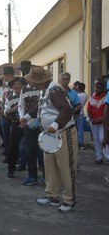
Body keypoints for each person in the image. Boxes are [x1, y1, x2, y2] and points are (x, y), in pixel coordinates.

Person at [25, 66, 77, 212]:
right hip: (50, 134)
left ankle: (69, 199)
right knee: (50, 166)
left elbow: (66, 109)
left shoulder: (54, 90)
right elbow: (39, 107)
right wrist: (27, 117)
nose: (30, 84)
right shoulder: (44, 90)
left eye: (31, 81)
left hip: (62, 132)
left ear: (37, 81)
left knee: (66, 167)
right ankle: (52, 196)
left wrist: (55, 124)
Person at [19, 65, 43, 186]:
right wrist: (22, 117)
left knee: (43, 151)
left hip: (44, 124)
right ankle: (32, 176)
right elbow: (21, 106)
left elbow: (41, 106)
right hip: (29, 124)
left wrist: (25, 117)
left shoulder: (45, 88)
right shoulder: (24, 90)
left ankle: (45, 175)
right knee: (30, 151)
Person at [4, 77, 26, 178]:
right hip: (16, 123)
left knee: (31, 147)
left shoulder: (27, 95)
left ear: (23, 86)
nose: (17, 86)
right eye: (15, 85)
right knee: (13, 146)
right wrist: (13, 110)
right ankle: (11, 169)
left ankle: (28, 168)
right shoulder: (9, 98)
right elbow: (5, 112)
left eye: (19, 84)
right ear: (12, 87)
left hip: (28, 123)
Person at [87, 81, 106, 164]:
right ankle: (99, 157)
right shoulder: (91, 98)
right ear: (94, 88)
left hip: (103, 122)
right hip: (94, 122)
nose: (97, 89)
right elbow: (88, 110)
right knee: (96, 140)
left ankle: (107, 155)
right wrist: (91, 119)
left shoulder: (105, 98)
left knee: (103, 138)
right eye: (96, 88)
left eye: (99, 88)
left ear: (102, 89)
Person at [0, 66, 15, 162]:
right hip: (5, 111)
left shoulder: (15, 84)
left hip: (13, 112)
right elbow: (3, 98)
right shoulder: (5, 85)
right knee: (5, 133)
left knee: (11, 134)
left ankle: (11, 155)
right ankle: (7, 151)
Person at [75, 82, 88, 150]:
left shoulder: (78, 95)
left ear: (79, 87)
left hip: (76, 112)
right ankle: (80, 142)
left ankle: (79, 142)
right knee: (80, 128)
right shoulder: (85, 95)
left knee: (77, 128)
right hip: (81, 112)